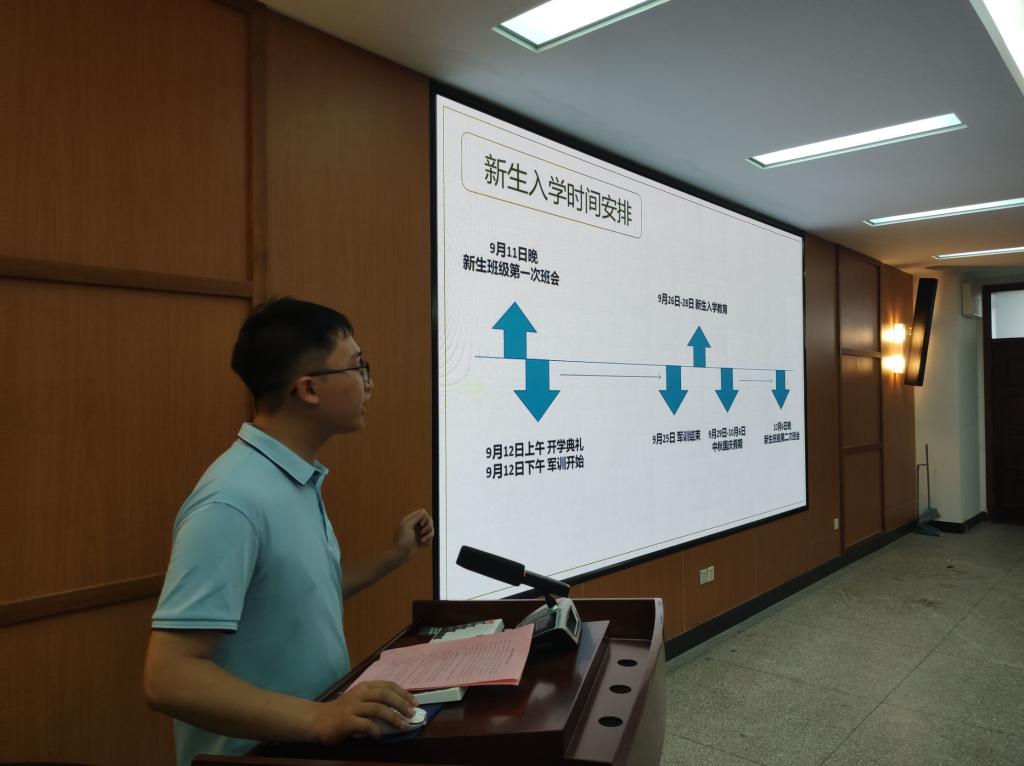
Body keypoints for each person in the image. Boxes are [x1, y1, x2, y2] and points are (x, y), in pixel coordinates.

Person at [143, 298, 434, 766]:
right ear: (309, 389)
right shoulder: (232, 501)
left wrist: (392, 557)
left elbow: (295, 597)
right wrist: (320, 718)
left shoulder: (293, 477)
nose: (369, 383)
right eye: (357, 367)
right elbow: (168, 677)